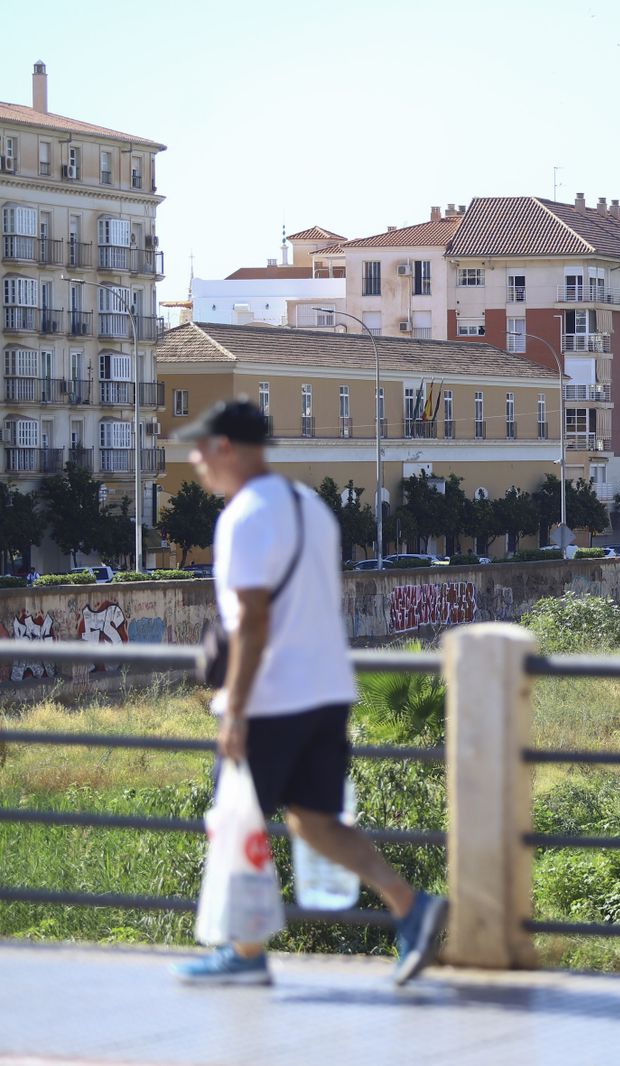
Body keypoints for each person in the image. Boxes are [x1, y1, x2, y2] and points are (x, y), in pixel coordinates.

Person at [171, 401, 447, 987]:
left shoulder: (243, 516)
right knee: (315, 821)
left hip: (273, 699)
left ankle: (244, 956)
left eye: (200, 448)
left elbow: (252, 620)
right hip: (328, 692)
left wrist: (236, 709)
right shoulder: (310, 507)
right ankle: (409, 906)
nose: (194, 462)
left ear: (226, 448)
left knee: (235, 819)